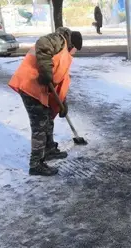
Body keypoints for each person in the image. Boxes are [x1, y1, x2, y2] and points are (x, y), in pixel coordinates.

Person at [8, 27, 83, 176]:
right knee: (40, 125)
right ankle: (36, 164)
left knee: (48, 118)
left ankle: (49, 149)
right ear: (72, 45)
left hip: (38, 88)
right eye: (74, 50)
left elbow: (60, 81)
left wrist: (63, 103)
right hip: (30, 85)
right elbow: (42, 44)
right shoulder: (59, 40)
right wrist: (46, 72)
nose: (73, 53)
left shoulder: (62, 51)